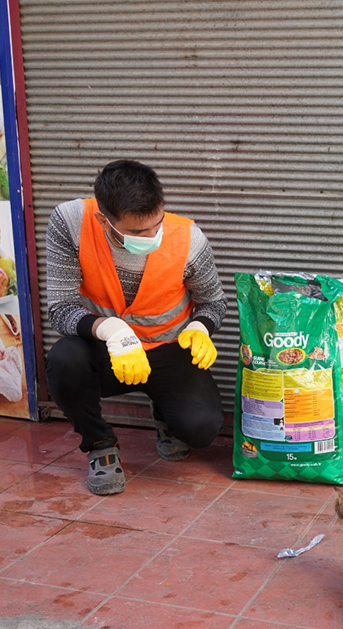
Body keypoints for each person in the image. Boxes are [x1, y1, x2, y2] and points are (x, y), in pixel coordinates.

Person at [44, 160, 226, 495]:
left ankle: (166, 416)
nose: (152, 237)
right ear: (104, 220)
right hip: (106, 351)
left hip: (168, 348)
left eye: (157, 225)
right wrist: (111, 330)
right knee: (64, 360)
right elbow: (59, 307)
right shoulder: (71, 223)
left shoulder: (189, 238)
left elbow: (214, 302)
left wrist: (200, 328)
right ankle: (100, 444)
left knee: (201, 429)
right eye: (138, 233)